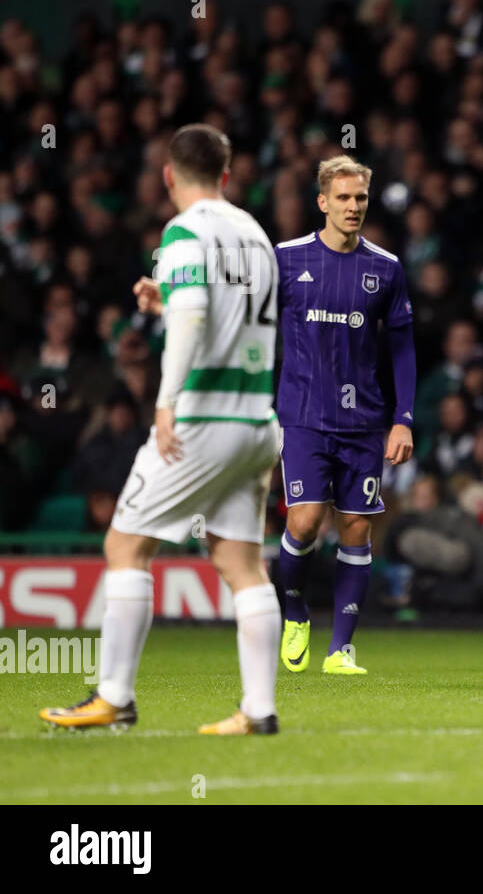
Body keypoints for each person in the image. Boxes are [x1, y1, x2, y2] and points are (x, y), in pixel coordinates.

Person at [40, 124, 285, 735]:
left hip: (201, 419)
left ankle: (114, 697)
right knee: (241, 564)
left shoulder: (182, 232)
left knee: (126, 546)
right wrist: (166, 302)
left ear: (169, 175)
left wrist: (165, 402)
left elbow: (196, 317)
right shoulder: (256, 234)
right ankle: (259, 709)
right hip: (257, 420)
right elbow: (221, 313)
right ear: (225, 175)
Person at [274, 156, 416, 675]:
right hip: (305, 416)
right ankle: (294, 612)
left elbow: (402, 348)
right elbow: (253, 322)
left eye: (360, 198)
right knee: (306, 521)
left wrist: (403, 418)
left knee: (356, 528)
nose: (353, 206)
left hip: (364, 422)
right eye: (343, 198)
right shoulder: (286, 260)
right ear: (322, 202)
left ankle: (340, 651)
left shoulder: (386, 268)